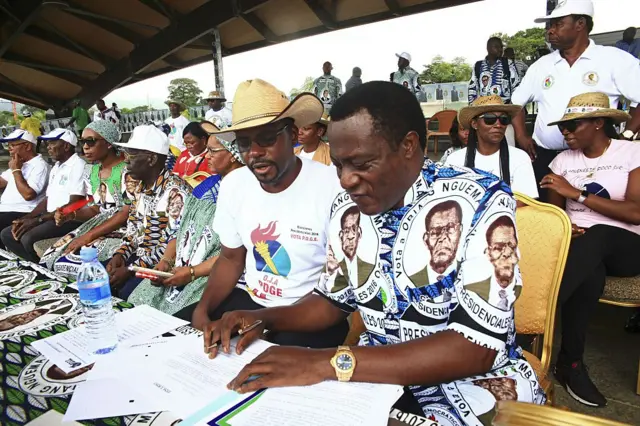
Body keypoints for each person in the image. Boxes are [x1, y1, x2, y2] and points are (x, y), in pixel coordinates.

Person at [208, 81, 544, 424]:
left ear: (409, 146)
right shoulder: (347, 209)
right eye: (339, 165)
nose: (346, 180)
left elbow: (476, 349)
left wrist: (326, 363)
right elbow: (332, 301)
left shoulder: (481, 202)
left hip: (475, 385)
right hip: (372, 376)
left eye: (361, 163)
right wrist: (264, 317)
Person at [180, 78, 349, 348]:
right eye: (244, 143)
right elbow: (231, 258)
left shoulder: (333, 188)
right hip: (249, 302)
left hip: (309, 312)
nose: (255, 152)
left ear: (292, 135)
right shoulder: (234, 184)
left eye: (268, 139)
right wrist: (202, 309)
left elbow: (337, 301)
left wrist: (262, 320)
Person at [539, 92, 640, 407]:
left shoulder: (630, 152)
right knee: (589, 272)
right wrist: (567, 229)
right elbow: (555, 217)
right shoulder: (562, 161)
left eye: (573, 125)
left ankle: (534, 318)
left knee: (597, 236)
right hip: (581, 250)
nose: (565, 132)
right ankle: (570, 364)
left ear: (599, 123)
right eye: (563, 127)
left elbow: (636, 212)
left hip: (627, 246)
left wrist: (577, 194)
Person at [512, 0, 640, 202]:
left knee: (595, 210)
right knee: (548, 217)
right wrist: (521, 136)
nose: (550, 31)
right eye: (550, 26)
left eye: (557, 24)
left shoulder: (614, 59)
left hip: (597, 158)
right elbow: (516, 103)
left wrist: (628, 133)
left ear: (580, 24)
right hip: (547, 156)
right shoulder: (541, 66)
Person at [129, 121, 245, 314]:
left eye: (213, 151)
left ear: (233, 154)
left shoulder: (246, 190)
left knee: (176, 317)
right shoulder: (204, 187)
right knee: (137, 301)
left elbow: (236, 255)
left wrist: (191, 273)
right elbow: (178, 229)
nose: (206, 156)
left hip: (211, 273)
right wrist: (166, 260)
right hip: (182, 267)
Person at [106, 125, 190, 300]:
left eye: (131, 155)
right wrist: (120, 254)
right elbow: (133, 229)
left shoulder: (175, 192)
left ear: (151, 159)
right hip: (139, 259)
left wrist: (131, 269)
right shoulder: (140, 187)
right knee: (103, 275)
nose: (126, 160)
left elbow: (172, 243)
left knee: (125, 292)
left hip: (163, 265)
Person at [39, 121, 131, 278]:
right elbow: (95, 209)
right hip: (98, 224)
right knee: (52, 257)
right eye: (83, 142)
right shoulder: (92, 171)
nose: (85, 147)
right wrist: (71, 215)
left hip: (124, 227)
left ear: (109, 143)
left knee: (82, 263)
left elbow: (125, 212)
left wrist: (89, 236)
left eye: (91, 141)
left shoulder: (126, 171)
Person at [0, 129, 85, 262]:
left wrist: (38, 220)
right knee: (7, 234)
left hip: (66, 218)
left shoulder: (78, 165)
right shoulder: (57, 166)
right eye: (47, 143)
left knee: (27, 237)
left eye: (52, 143)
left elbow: (75, 203)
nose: (48, 147)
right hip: (50, 215)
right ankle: (32, 266)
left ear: (66, 146)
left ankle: (45, 269)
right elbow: (47, 199)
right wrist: (28, 217)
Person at [445, 95, 538, 199]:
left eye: (503, 119)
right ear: (474, 124)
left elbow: (526, 202)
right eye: (489, 119)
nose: (498, 125)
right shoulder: (454, 160)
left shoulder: (520, 158)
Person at [0, 130, 50, 246]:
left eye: (13, 145)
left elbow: (28, 195)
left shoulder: (40, 166)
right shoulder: (19, 163)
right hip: (5, 209)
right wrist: (15, 169)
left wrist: (16, 171)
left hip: (23, 211)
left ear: (27, 146)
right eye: (8, 145)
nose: (9, 149)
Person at [469, 37, 520, 147]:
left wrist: (513, 109)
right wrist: (473, 111)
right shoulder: (478, 66)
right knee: (485, 146)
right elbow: (472, 89)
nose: (500, 50)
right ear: (488, 48)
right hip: (484, 115)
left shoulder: (508, 64)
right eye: (496, 47)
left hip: (504, 114)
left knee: (508, 146)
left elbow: (516, 87)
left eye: (501, 47)